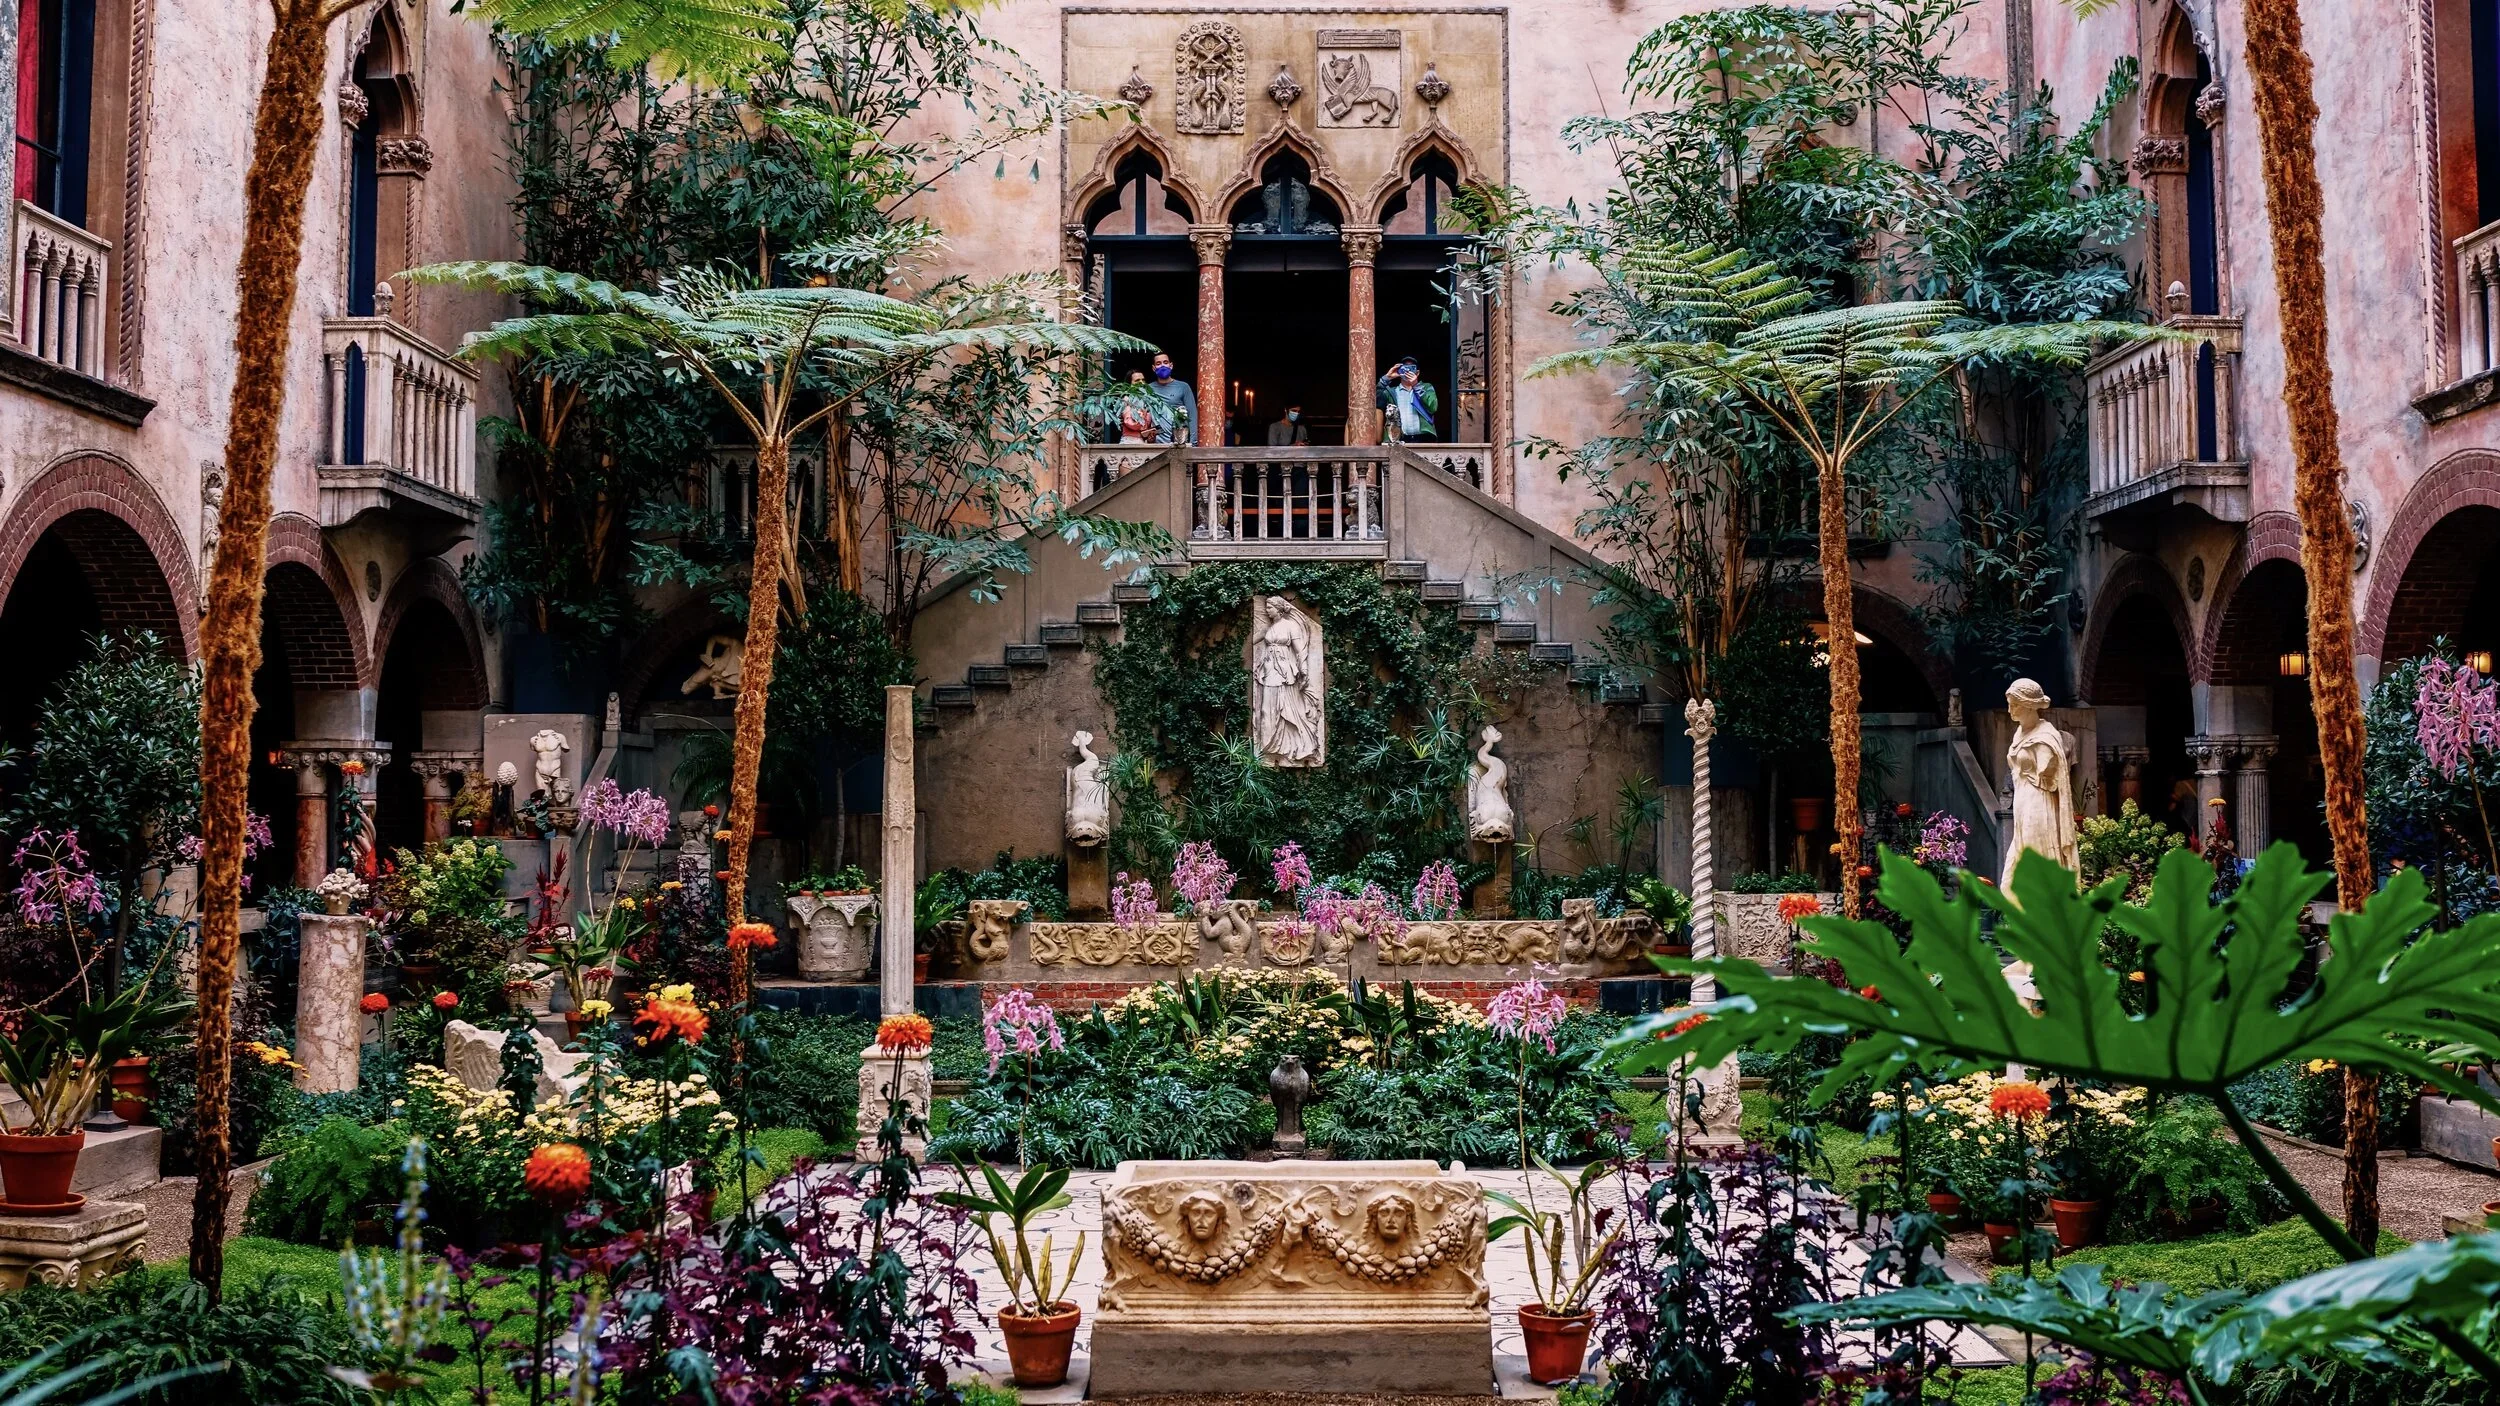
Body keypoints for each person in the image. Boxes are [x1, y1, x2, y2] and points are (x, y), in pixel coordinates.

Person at [1376, 356, 1439, 443]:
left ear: (1417, 373)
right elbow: (1373, 399)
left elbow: (1433, 407)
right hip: (1398, 439)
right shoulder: (1391, 392)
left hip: (1424, 438)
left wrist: (1416, 385)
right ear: (1399, 370)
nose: (1408, 371)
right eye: (1405, 368)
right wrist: (1387, 378)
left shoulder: (1426, 387)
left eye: (1411, 368)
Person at [1148, 351, 1196, 444]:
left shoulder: (1183, 387)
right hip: (1155, 444)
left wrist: (1194, 443)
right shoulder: (1148, 389)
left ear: (1171, 365)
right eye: (1158, 363)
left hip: (1179, 441)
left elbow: (1192, 415)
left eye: (1165, 362)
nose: (1162, 366)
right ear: (1153, 368)